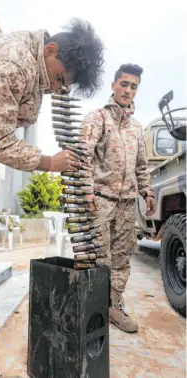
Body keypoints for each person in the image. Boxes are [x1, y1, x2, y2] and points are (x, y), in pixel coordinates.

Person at [0, 18, 105, 377]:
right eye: (59, 79)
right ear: (50, 51)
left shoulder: (32, 64)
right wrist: (47, 162)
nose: (58, 89)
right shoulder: (13, 62)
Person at [81, 64, 156, 333]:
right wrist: (87, 191)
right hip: (100, 199)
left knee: (122, 257)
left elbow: (141, 165)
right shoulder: (97, 118)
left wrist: (147, 191)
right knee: (97, 256)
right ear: (113, 85)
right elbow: (82, 159)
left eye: (133, 86)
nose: (128, 90)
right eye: (124, 84)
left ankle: (114, 306)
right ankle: (90, 307)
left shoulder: (137, 128)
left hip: (126, 203)